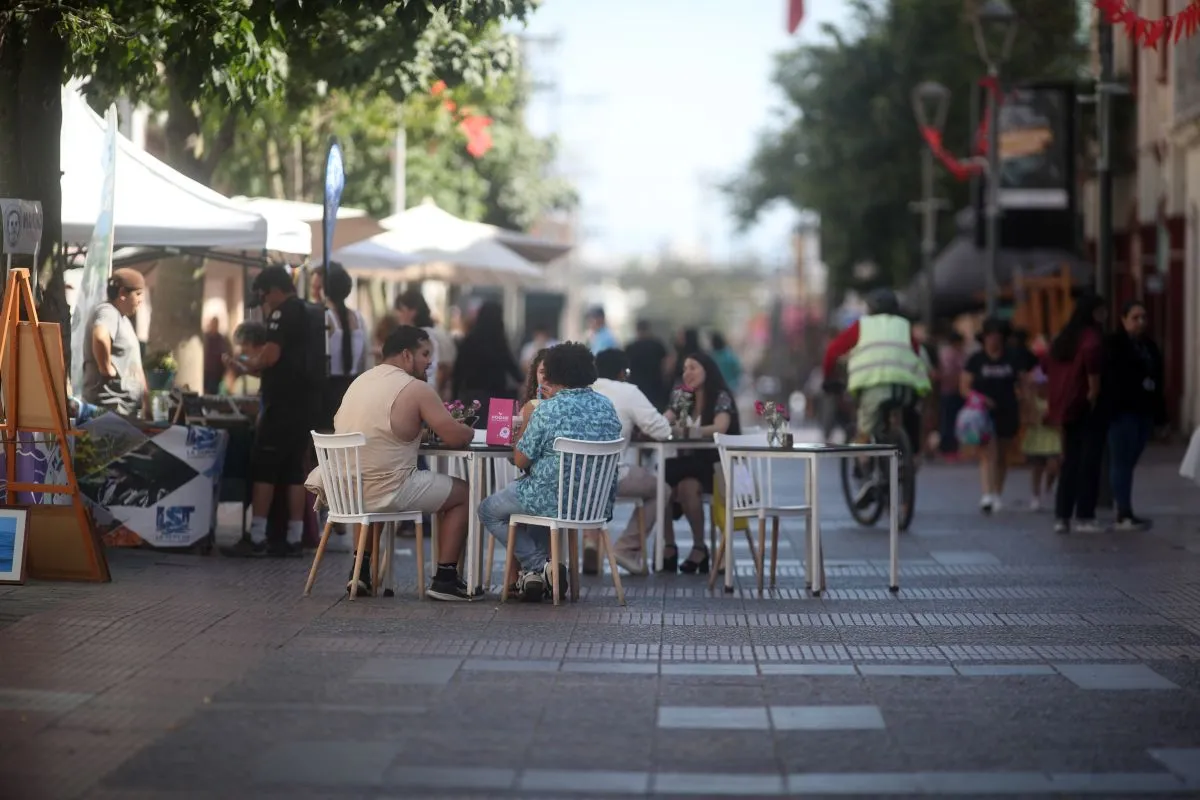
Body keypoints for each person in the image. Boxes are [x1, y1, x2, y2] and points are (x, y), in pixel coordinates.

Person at [308, 325, 479, 600]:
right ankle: (445, 578)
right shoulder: (416, 388)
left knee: (371, 480)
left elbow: (380, 432)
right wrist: (468, 430)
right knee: (464, 494)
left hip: (344, 490)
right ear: (406, 355)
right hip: (386, 490)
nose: (430, 362)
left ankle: (360, 573)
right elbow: (455, 437)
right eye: (425, 354)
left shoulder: (359, 382)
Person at [479, 343, 622, 602]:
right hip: (594, 504)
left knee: (488, 510)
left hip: (550, 499)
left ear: (555, 373)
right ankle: (536, 576)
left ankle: (542, 565)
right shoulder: (607, 406)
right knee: (538, 503)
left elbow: (520, 460)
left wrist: (524, 425)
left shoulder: (547, 409)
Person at [222, 265, 320, 558]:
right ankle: (294, 538)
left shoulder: (282, 313)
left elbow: (271, 357)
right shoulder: (311, 312)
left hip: (281, 406)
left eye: (264, 297)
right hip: (306, 405)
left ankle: (257, 537)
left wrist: (247, 364)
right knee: (294, 472)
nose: (264, 304)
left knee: (264, 468)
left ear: (275, 290)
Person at [589, 348, 672, 575]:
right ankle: (626, 547)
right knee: (662, 489)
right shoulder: (628, 391)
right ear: (623, 373)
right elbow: (662, 430)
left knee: (591, 491)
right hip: (610, 478)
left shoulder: (579, 390)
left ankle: (588, 543)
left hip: (571, 482)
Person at [821, 288, 929, 453]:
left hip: (872, 387)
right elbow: (916, 353)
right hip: (904, 388)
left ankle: (862, 459)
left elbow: (832, 351)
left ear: (870, 308)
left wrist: (828, 377)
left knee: (864, 431)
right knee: (905, 416)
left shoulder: (863, 326)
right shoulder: (904, 326)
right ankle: (909, 454)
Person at [662, 352, 741, 574]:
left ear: (707, 370)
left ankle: (698, 548)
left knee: (678, 481)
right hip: (688, 464)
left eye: (693, 368)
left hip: (715, 465)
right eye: (684, 369)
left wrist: (690, 431)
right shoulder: (682, 396)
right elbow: (663, 421)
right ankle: (670, 546)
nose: (687, 373)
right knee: (662, 486)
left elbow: (720, 427)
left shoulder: (720, 396)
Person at [1047, 294, 1108, 534]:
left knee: (1070, 461)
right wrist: (1094, 395)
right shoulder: (1092, 338)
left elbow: (1046, 368)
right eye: (1101, 311)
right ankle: (1085, 516)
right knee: (1089, 462)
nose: (1104, 315)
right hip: (1087, 407)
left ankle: (1062, 516)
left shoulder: (1064, 338)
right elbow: (1093, 377)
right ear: (1093, 312)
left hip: (1066, 407)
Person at [1103, 300, 1165, 530]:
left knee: (1129, 461)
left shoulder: (1149, 346)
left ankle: (1126, 508)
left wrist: (1161, 417)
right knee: (1121, 461)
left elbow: (1158, 381)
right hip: (1122, 411)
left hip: (1144, 410)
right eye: (1135, 318)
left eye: (1143, 317)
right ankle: (1123, 512)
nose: (1141, 322)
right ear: (1124, 319)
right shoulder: (1114, 344)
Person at [962, 317, 1026, 514]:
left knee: (1003, 455)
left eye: (997, 336)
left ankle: (997, 492)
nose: (993, 340)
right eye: (990, 336)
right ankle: (987, 494)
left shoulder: (1012, 358)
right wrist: (980, 399)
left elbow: (1023, 383)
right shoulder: (976, 360)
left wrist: (1025, 401)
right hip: (982, 413)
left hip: (1008, 410)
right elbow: (964, 387)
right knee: (987, 453)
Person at [82, 268, 148, 417]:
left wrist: (146, 401)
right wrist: (105, 367)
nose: (141, 300)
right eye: (138, 294)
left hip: (125, 410)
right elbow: (100, 336)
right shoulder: (108, 311)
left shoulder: (123, 319)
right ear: (122, 293)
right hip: (110, 408)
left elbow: (135, 365)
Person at [452, 300, 523, 418]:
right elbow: (511, 366)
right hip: (498, 396)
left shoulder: (469, 341)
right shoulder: (499, 343)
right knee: (497, 427)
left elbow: (458, 372)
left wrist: (454, 397)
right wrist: (524, 381)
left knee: (473, 425)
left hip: (472, 396)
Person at [317, 265, 365, 432]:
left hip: (329, 388)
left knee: (329, 436)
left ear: (325, 289)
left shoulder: (325, 317)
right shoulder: (358, 318)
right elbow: (363, 358)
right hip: (355, 387)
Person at [1021, 346, 1060, 512]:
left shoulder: (1055, 397)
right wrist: (1034, 417)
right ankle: (1035, 495)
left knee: (1054, 465)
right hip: (1037, 436)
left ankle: (1048, 488)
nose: (1042, 387)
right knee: (1037, 467)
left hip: (1053, 437)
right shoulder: (1032, 399)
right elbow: (1026, 418)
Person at [395, 288, 455, 398]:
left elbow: (443, 368)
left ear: (413, 312)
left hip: (422, 393)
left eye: (401, 310)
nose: (398, 314)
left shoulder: (422, 337)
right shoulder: (438, 333)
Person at [625, 320, 671, 411]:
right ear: (648, 330)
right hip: (656, 385)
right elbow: (666, 363)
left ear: (637, 330)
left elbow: (626, 367)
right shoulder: (657, 345)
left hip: (636, 386)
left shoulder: (630, 347)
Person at [937, 331, 967, 458]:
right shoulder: (949, 354)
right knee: (949, 420)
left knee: (954, 420)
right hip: (950, 391)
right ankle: (948, 448)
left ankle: (954, 447)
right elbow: (949, 374)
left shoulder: (959, 353)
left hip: (957, 391)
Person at [202, 317, 231, 396]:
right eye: (213, 324)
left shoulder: (222, 339)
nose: (214, 326)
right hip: (206, 372)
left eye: (215, 324)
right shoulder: (205, 338)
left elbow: (227, 353)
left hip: (217, 373)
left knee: (214, 393)